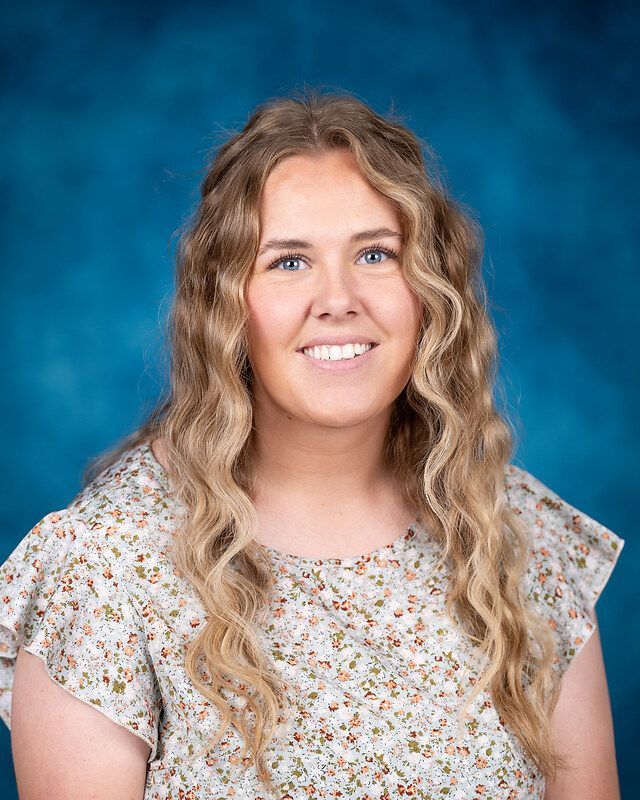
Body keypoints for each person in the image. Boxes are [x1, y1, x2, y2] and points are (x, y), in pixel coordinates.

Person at [0, 88, 625, 800]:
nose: (338, 298)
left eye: (376, 254)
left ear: (430, 291)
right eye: (288, 262)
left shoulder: (518, 533)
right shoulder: (105, 565)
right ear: (226, 305)